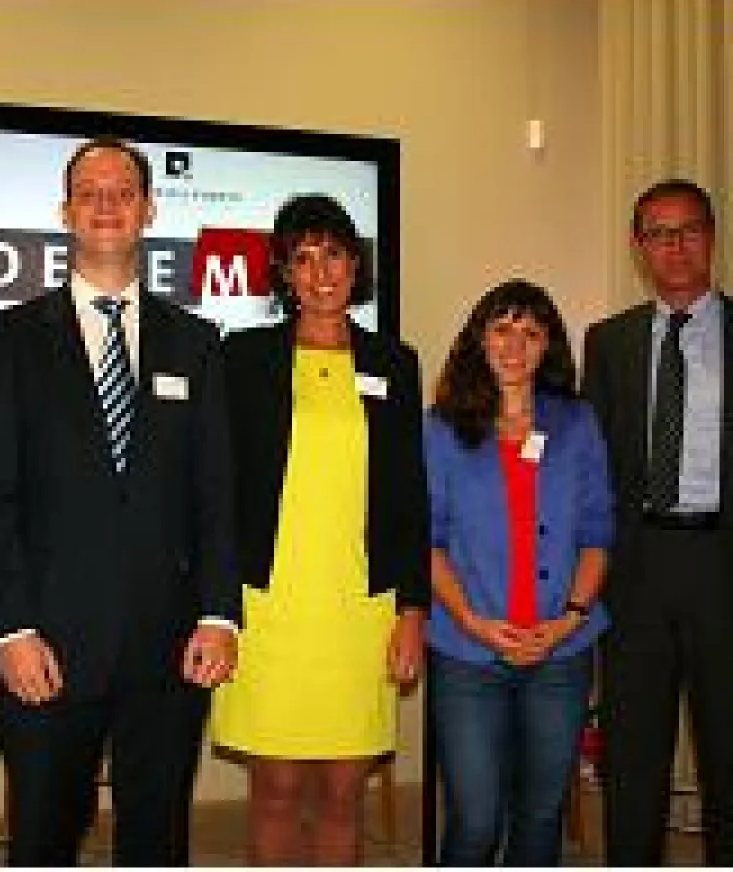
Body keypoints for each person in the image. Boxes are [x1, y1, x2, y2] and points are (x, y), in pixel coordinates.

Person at [0, 137, 241, 866]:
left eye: (123, 192)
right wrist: (10, 631)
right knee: (43, 842)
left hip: (168, 649)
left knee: (157, 843)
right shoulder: (9, 340)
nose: (107, 205)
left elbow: (216, 495)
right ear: (65, 212)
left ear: (148, 210)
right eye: (90, 192)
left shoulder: (196, 341)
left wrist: (218, 615)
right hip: (46, 648)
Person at [210, 193, 430, 866]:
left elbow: (408, 496)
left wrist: (413, 609)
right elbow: (216, 488)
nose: (320, 272)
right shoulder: (242, 357)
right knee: (275, 789)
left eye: (332, 254)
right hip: (267, 609)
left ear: (355, 264)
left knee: (342, 793)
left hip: (360, 611)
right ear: (282, 273)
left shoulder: (395, 362)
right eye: (301, 258)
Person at [424, 279, 612, 865]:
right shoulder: (441, 428)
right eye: (502, 329)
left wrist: (570, 620)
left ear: (547, 346)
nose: (514, 346)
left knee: (540, 815)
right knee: (476, 820)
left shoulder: (577, 424)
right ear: (480, 337)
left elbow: (597, 533)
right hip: (467, 651)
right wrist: (474, 623)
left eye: (530, 333)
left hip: (560, 652)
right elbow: (426, 543)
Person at [582, 178, 733, 864]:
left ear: (713, 235)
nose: (676, 246)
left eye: (689, 229)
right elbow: (593, 468)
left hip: (721, 569)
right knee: (633, 760)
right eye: (659, 233)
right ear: (638, 247)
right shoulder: (607, 343)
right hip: (636, 571)